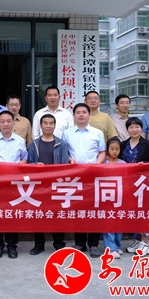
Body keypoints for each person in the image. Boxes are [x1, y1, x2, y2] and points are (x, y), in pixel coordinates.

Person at [62, 103, 106, 258]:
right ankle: (80, 243)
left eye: (84, 112)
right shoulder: (67, 133)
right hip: (74, 177)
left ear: (89, 115)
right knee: (77, 210)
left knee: (94, 210)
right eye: (78, 112)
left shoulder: (97, 133)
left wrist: (97, 164)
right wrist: (70, 159)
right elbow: (64, 152)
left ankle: (93, 244)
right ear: (74, 115)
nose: (81, 115)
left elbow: (102, 151)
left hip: (93, 176)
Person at [0, 110, 28, 259]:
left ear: (13, 123)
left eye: (9, 121)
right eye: (2, 121)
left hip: (14, 184)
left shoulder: (20, 141)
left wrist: (23, 163)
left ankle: (12, 246)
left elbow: (25, 159)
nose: (6, 124)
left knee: (12, 215)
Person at [27, 114, 69, 254]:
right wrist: (35, 165)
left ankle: (59, 244)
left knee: (57, 215)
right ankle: (39, 244)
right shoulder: (34, 144)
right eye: (45, 123)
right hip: (38, 186)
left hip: (56, 185)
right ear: (40, 125)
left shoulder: (62, 144)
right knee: (38, 215)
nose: (48, 126)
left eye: (51, 123)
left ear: (55, 126)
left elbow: (65, 165)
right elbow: (28, 164)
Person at [120, 117, 149, 256]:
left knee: (144, 213)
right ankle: (137, 240)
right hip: (127, 185)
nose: (134, 130)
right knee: (133, 213)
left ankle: (145, 243)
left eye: (137, 127)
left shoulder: (148, 144)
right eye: (131, 127)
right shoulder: (123, 144)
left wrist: (146, 164)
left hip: (143, 184)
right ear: (127, 129)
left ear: (141, 128)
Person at [102, 137, 126, 259]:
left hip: (120, 198)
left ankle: (117, 245)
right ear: (107, 150)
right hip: (106, 198)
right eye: (112, 149)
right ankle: (110, 248)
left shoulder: (124, 164)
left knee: (119, 223)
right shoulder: (103, 164)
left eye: (117, 149)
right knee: (109, 224)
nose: (114, 151)